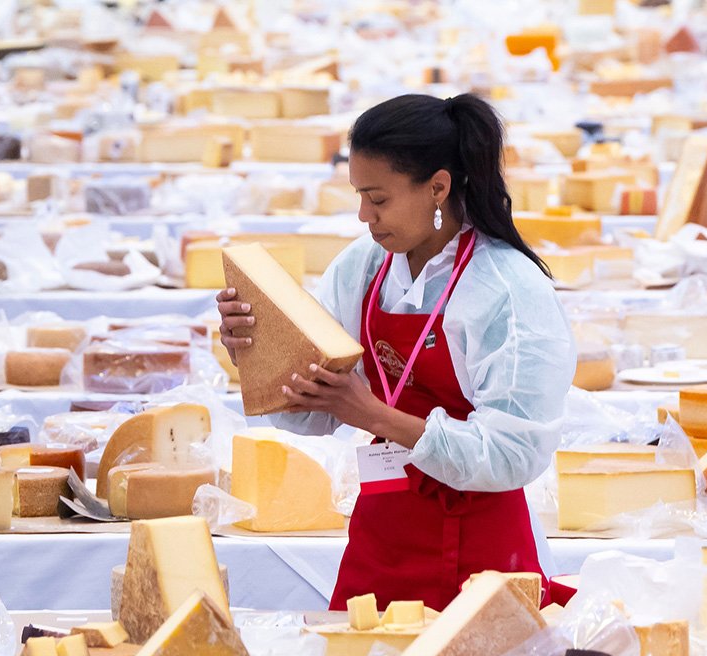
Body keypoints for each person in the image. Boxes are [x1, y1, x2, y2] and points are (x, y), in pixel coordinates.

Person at [217, 93, 575, 611]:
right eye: (359, 196)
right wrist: (260, 354)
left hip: (481, 546)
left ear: (438, 187)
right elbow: (314, 412)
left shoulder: (506, 289)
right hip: (380, 535)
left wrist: (372, 415)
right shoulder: (363, 268)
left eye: (378, 199)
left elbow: (512, 455)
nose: (364, 215)